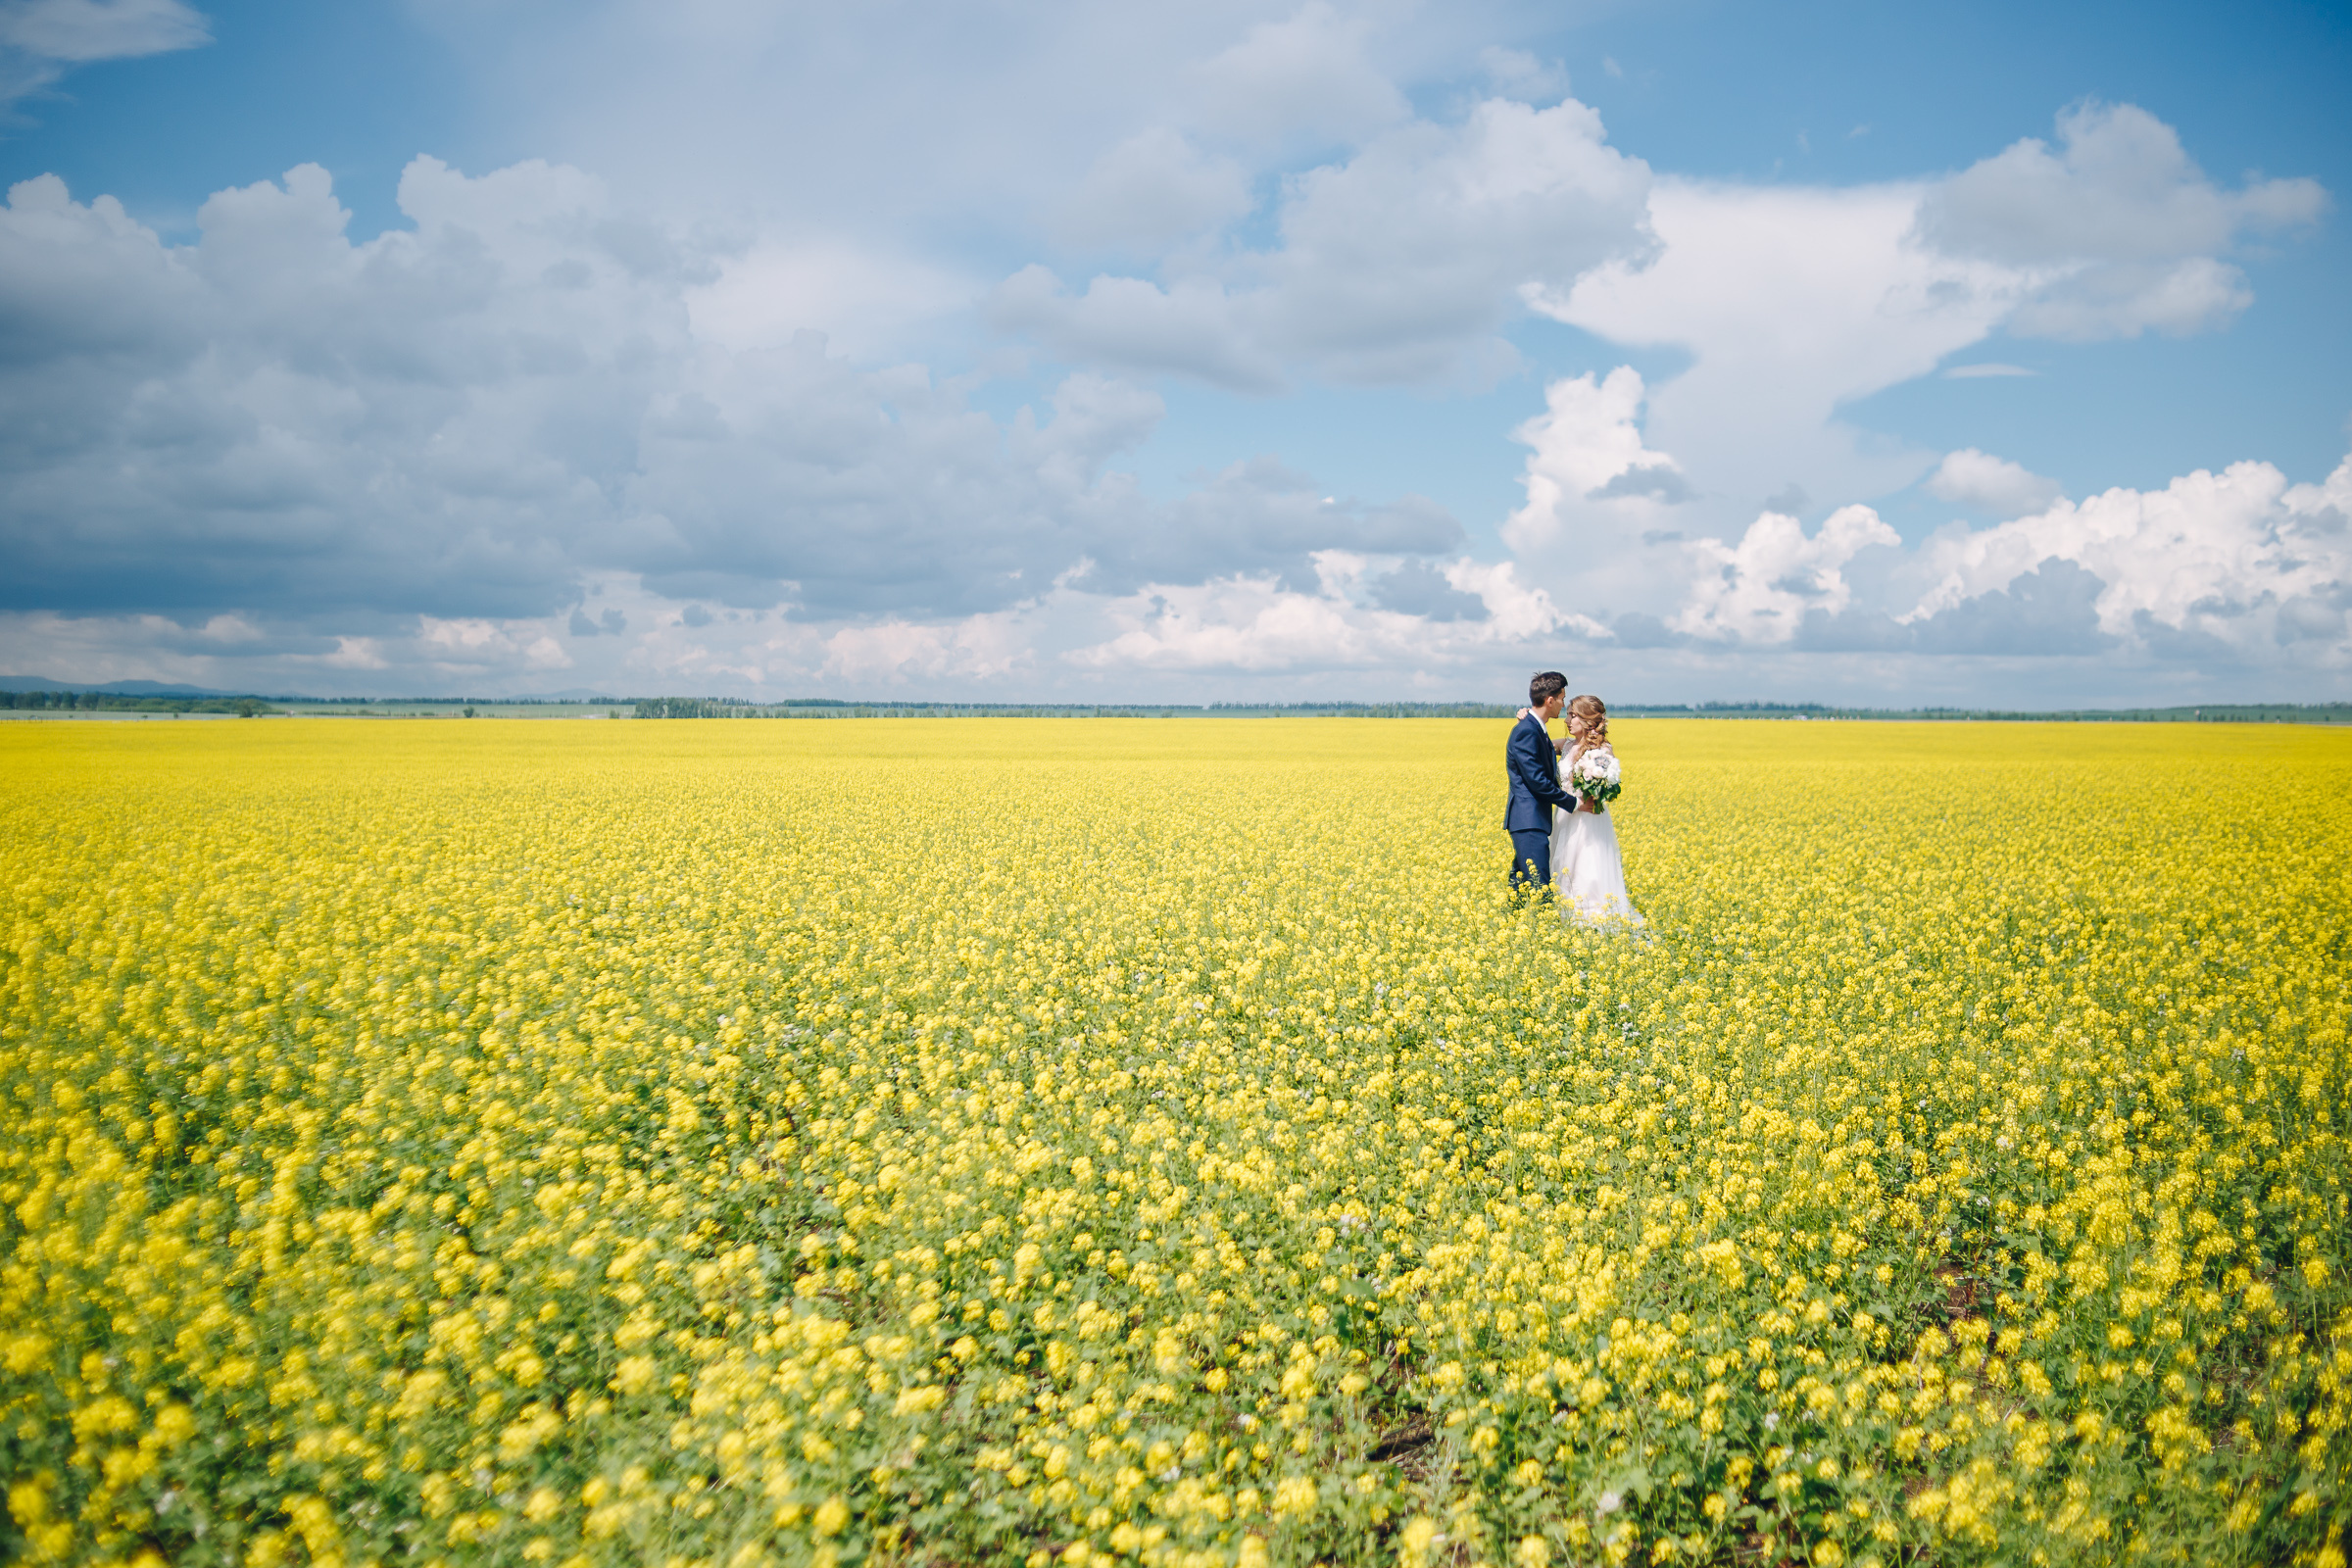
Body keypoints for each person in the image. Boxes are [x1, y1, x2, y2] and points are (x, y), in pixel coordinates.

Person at [1550, 695, 1642, 925]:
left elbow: (1606, 784)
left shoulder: (1602, 750)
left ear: (1589, 720)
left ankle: (1593, 923)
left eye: (1574, 715)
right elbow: (1539, 742)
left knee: (1586, 868)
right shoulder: (1567, 744)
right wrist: (1525, 719)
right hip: (1566, 815)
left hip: (1588, 818)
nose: (1568, 720)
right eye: (1568, 713)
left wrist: (1593, 788)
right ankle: (1566, 919)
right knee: (1563, 869)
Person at [1503, 671, 1578, 896]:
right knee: (1541, 887)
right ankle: (1546, 927)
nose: (1563, 705)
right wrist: (1572, 803)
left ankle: (1510, 925)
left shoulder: (1535, 728)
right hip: (1528, 821)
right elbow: (1537, 781)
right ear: (1550, 700)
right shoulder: (1527, 731)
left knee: (1521, 886)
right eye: (1562, 699)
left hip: (1531, 820)